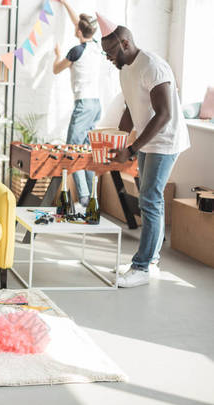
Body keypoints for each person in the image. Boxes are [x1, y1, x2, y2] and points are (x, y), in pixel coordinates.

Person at [97, 14, 190, 287]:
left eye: (110, 52)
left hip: (165, 140)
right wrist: (119, 141)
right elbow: (130, 108)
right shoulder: (125, 68)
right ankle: (150, 259)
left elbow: (164, 115)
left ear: (125, 43)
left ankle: (141, 267)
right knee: (150, 197)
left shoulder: (153, 67)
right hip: (148, 140)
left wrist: (132, 149)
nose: (107, 58)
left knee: (150, 198)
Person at [53, 0, 101, 207]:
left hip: (83, 106)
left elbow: (56, 69)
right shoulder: (96, 47)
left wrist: (57, 55)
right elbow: (79, 22)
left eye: (76, 27)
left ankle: (82, 198)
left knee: (73, 151)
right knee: (87, 153)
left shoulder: (75, 51)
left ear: (79, 32)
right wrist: (65, 3)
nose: (74, 27)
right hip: (96, 105)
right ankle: (92, 198)